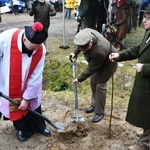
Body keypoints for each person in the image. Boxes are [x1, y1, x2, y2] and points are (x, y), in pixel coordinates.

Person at [0, 22, 51, 142]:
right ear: (24, 40)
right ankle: (22, 129)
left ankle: (39, 126)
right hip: (8, 80)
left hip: (29, 79)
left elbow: (36, 76)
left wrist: (27, 98)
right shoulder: (6, 38)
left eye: (38, 46)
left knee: (32, 104)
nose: (36, 50)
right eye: (33, 47)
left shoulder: (40, 49)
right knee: (16, 105)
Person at [109, 4, 150, 150]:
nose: (144, 20)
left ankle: (145, 144)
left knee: (147, 112)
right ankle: (146, 133)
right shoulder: (148, 33)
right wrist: (119, 55)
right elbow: (138, 49)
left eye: (148, 18)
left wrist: (145, 67)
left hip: (147, 79)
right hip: (145, 83)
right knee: (144, 111)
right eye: (144, 17)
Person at [69, 28, 117, 123]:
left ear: (91, 42)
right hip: (98, 62)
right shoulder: (86, 34)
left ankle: (99, 112)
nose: (83, 51)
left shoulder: (99, 51)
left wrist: (79, 78)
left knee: (100, 85)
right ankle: (94, 104)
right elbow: (80, 44)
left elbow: (91, 68)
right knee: (93, 81)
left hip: (108, 64)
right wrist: (75, 52)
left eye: (85, 49)